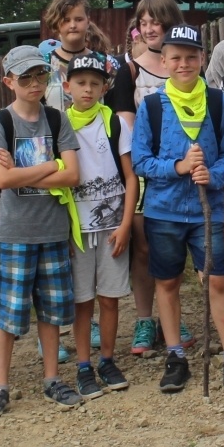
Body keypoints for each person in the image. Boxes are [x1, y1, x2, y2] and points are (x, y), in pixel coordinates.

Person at [131, 24, 224, 395]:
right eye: (176, 57)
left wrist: (212, 174)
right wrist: (178, 168)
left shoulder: (218, 102)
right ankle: (176, 356)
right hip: (164, 212)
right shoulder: (153, 106)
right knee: (167, 282)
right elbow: (141, 161)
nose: (184, 64)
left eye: (191, 57)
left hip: (209, 213)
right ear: (164, 60)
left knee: (216, 280)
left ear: (202, 59)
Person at [0, 46, 83, 417]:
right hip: (14, 233)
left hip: (53, 230)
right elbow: (3, 179)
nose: (35, 83)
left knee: (52, 312)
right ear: (9, 82)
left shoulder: (57, 120)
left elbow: (73, 175)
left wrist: (34, 171)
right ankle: (0, 385)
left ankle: (52, 378)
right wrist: (50, 165)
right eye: (26, 78)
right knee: (8, 313)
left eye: (41, 75)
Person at [110, 0, 190, 357]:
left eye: (156, 21)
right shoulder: (129, 71)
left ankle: (173, 314)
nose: (149, 28)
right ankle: (145, 318)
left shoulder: (188, 66)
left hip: (185, 168)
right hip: (145, 169)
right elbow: (126, 125)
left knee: (176, 245)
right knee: (143, 246)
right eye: (143, 22)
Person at [62, 52, 137, 397]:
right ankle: (83, 365)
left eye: (95, 83)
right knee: (83, 301)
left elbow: (130, 176)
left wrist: (124, 225)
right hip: (77, 230)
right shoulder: (59, 125)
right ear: (67, 87)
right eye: (80, 83)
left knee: (110, 297)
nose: (87, 90)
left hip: (111, 227)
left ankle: (107, 358)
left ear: (105, 87)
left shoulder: (114, 122)